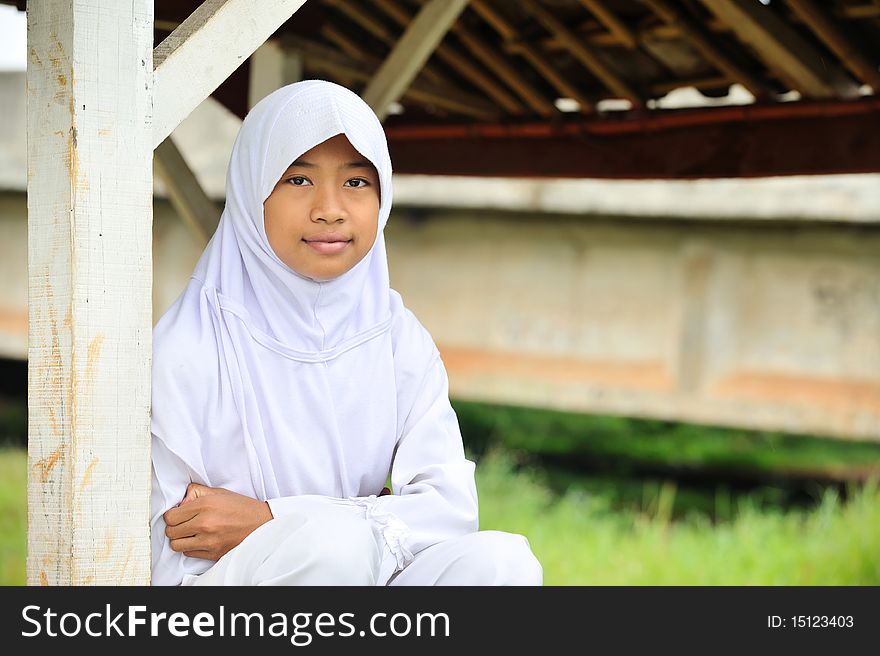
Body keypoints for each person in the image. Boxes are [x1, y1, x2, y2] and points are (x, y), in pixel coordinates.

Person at [150, 80, 543, 586]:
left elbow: (450, 511)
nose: (330, 209)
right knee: (335, 550)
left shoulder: (397, 338)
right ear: (252, 192)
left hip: (357, 576)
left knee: (502, 564)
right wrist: (361, 519)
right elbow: (171, 552)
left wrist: (270, 519)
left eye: (356, 182)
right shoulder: (189, 348)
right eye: (298, 180)